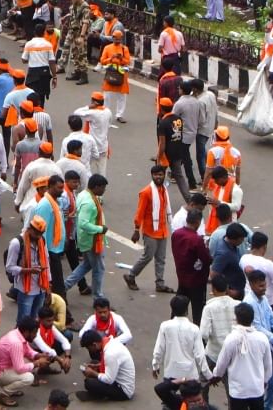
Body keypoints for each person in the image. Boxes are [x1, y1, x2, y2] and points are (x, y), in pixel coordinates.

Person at [150, 294, 210, 408]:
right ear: (187, 310)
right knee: (195, 404)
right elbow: (200, 355)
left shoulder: (165, 326)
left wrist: (155, 365)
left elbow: (159, 349)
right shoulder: (194, 329)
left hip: (171, 373)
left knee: (169, 402)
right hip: (190, 375)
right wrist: (208, 375)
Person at [212, 302, 273, 410]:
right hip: (256, 389)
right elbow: (268, 365)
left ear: (236, 319)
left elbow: (222, 363)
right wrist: (264, 381)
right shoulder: (262, 338)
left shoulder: (231, 339)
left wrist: (216, 375)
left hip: (238, 391)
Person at [125, 164, 171, 294]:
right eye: (156, 175)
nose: (158, 177)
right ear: (152, 176)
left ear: (164, 175)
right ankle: (131, 275)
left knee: (161, 259)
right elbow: (140, 212)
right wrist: (136, 230)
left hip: (162, 230)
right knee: (148, 256)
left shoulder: (164, 190)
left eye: (160, 174)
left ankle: (160, 283)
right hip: (150, 231)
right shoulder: (146, 192)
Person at [76, 325, 135, 401]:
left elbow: (109, 380)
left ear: (94, 344)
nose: (89, 351)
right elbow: (114, 364)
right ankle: (99, 393)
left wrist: (93, 373)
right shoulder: (109, 342)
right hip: (118, 378)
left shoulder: (110, 353)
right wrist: (97, 365)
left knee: (89, 383)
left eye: (89, 348)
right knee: (94, 362)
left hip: (124, 391)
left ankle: (97, 396)